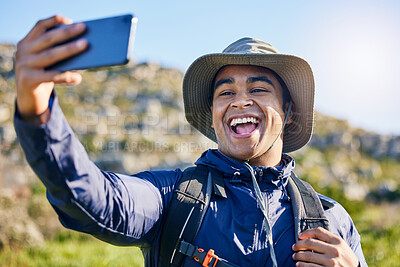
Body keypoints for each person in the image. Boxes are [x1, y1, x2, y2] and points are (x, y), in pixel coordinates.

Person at [13, 15, 367, 267]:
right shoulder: (173, 196)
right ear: (214, 114)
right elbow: (95, 199)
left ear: (288, 112)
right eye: (225, 92)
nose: (239, 101)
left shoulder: (332, 220)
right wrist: (37, 109)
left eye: (258, 88)